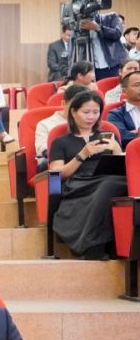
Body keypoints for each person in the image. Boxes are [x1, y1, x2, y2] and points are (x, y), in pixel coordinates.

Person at [48, 91, 126, 259]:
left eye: (96, 112)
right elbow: (58, 174)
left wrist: (117, 150)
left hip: (108, 178)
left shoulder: (108, 137)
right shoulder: (60, 141)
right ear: (73, 112)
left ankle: (111, 245)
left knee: (118, 183)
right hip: (79, 183)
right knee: (110, 185)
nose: (91, 117)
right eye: (86, 112)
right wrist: (82, 154)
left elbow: (121, 166)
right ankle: (94, 245)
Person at [35, 84, 89, 161]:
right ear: (63, 104)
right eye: (76, 106)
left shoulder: (91, 122)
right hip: (56, 163)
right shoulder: (45, 124)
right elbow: (43, 151)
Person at [77, 11, 127, 80]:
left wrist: (97, 28)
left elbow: (117, 34)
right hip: (93, 69)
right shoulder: (79, 24)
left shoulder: (111, 17)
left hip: (114, 66)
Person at [108, 69, 140, 146]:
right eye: (137, 85)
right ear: (124, 91)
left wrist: (136, 132)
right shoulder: (114, 114)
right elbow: (122, 138)